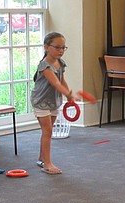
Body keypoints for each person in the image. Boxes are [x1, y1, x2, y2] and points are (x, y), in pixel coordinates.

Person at [31, 32, 77, 175]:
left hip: (54, 102)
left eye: (63, 48)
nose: (61, 51)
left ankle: (41, 158)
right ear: (46, 47)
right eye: (57, 47)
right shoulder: (44, 66)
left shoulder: (60, 63)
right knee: (48, 131)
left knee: (48, 132)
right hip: (41, 101)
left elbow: (62, 80)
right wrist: (68, 93)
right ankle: (47, 164)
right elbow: (55, 83)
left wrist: (69, 94)